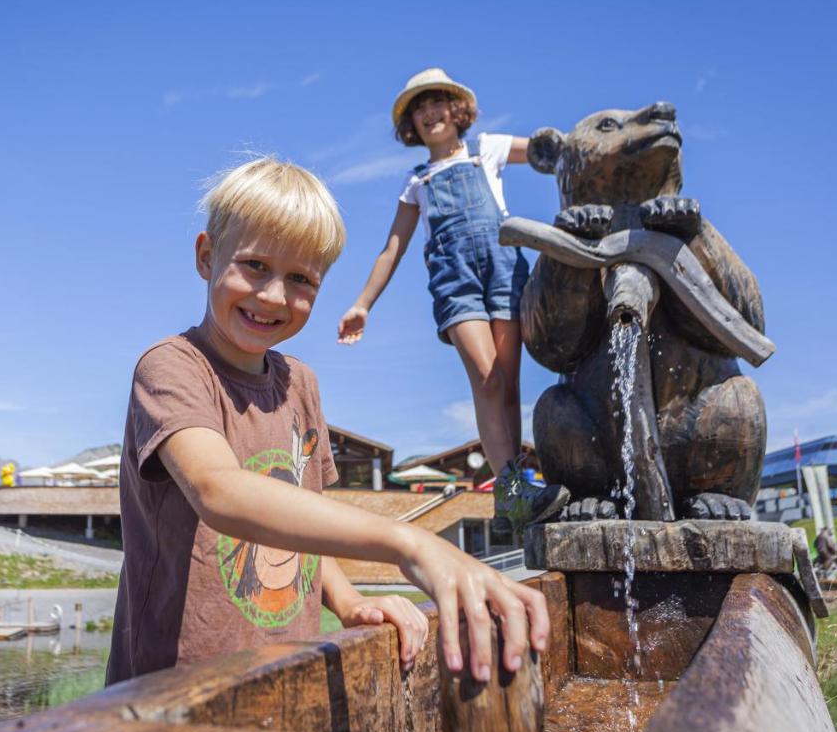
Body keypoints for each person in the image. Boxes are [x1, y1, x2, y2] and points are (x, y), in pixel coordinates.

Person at [107, 157, 549, 687]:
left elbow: (301, 523)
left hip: (283, 676)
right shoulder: (173, 366)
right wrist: (410, 542)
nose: (273, 296)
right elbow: (218, 491)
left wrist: (348, 600)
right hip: (171, 692)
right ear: (206, 256)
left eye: (300, 279)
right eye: (254, 265)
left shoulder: (301, 384)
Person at [338, 68, 569, 528]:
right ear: (412, 125)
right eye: (419, 109)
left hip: (505, 269)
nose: (428, 113)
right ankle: (510, 485)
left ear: (456, 110)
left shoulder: (490, 150)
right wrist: (363, 303)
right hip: (455, 280)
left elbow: (551, 150)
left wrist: (582, 142)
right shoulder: (417, 181)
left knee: (508, 384)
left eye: (436, 103)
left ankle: (513, 496)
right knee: (486, 379)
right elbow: (393, 248)